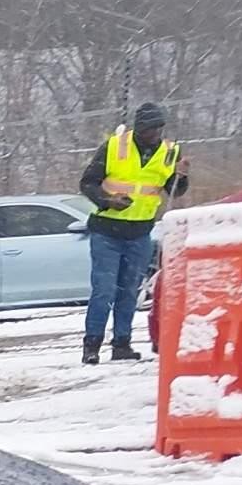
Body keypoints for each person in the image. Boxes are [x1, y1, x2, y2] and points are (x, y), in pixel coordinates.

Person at [79, 101, 188, 364]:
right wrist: (108, 200)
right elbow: (88, 183)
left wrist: (182, 176)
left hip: (140, 232)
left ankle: (121, 344)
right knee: (104, 290)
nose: (156, 134)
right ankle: (91, 346)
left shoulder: (169, 152)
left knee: (129, 290)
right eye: (151, 129)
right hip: (107, 231)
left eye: (159, 128)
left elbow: (175, 189)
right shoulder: (115, 146)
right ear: (140, 128)